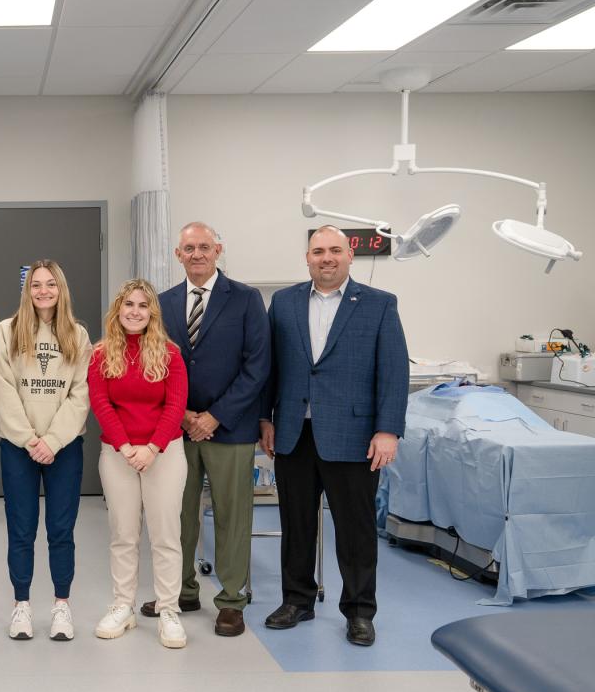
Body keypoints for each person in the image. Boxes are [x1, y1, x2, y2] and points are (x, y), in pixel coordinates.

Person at [260, 225, 409, 647]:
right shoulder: (284, 302)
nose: (326, 258)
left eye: (334, 251)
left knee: (355, 528)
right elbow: (271, 368)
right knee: (297, 524)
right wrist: (264, 419)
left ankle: (360, 611)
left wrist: (388, 430)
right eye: (318, 251)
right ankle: (298, 600)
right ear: (307, 258)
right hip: (293, 432)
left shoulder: (379, 304)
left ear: (350, 256)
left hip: (355, 433)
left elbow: (395, 371)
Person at [149, 223, 270, 638]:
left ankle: (232, 600)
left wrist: (214, 416)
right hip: (176, 428)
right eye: (189, 248)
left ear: (217, 250)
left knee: (232, 516)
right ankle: (179, 591)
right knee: (175, 515)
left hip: (229, 428)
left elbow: (258, 366)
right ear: (177, 255)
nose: (197, 253)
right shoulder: (161, 303)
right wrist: (183, 415)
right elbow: (153, 364)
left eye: (204, 247)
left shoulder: (246, 299)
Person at [0, 259, 91, 641]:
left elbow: (80, 395)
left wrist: (52, 441)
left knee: (61, 530)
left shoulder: (77, 335)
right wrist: (29, 438)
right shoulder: (6, 332)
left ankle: (62, 606)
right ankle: (22, 606)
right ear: (27, 291)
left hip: (63, 447)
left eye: (50, 284)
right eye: (36, 285)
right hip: (19, 447)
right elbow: (2, 389)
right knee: (21, 529)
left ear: (61, 289)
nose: (43, 291)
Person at [88, 279, 188, 649]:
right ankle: (122, 606)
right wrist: (127, 447)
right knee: (123, 535)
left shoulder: (170, 353)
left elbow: (175, 405)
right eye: (128, 304)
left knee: (165, 536)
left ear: (152, 313)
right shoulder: (101, 354)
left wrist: (152, 448)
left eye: (143, 306)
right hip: (118, 454)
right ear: (118, 310)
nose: (134, 311)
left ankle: (168, 610)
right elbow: (101, 404)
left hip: (164, 453)